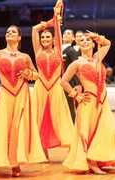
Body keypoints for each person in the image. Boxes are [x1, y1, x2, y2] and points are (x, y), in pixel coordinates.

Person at [0, 25, 47, 177]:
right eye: (7, 32)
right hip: (5, 93)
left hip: (21, 94)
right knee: (4, 126)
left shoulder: (25, 56)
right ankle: (4, 159)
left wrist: (28, 73)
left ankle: (16, 163)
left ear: (18, 38)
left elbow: (37, 75)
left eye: (13, 32)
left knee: (18, 128)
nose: (9, 33)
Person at [61, 31, 115, 174]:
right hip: (88, 102)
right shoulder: (76, 63)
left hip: (103, 103)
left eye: (88, 40)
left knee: (107, 131)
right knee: (89, 132)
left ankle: (98, 158)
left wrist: (97, 37)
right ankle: (91, 162)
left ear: (93, 44)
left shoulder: (98, 58)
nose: (85, 41)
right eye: (82, 40)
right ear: (78, 45)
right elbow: (63, 81)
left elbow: (107, 43)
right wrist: (76, 95)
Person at [31, 0, 74, 162]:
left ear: (54, 39)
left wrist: (56, 21)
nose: (44, 38)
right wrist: (47, 24)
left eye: (48, 36)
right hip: (41, 87)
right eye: (43, 37)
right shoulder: (38, 50)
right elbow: (34, 29)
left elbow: (57, 30)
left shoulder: (58, 49)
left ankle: (72, 150)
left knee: (60, 117)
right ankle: (43, 152)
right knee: (40, 119)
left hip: (55, 86)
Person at [62, 28, 81, 123]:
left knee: (70, 106)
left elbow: (77, 69)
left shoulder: (71, 51)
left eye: (68, 33)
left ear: (73, 38)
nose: (65, 34)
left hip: (69, 83)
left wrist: (78, 84)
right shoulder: (58, 49)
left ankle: (73, 126)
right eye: (64, 33)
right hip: (58, 82)